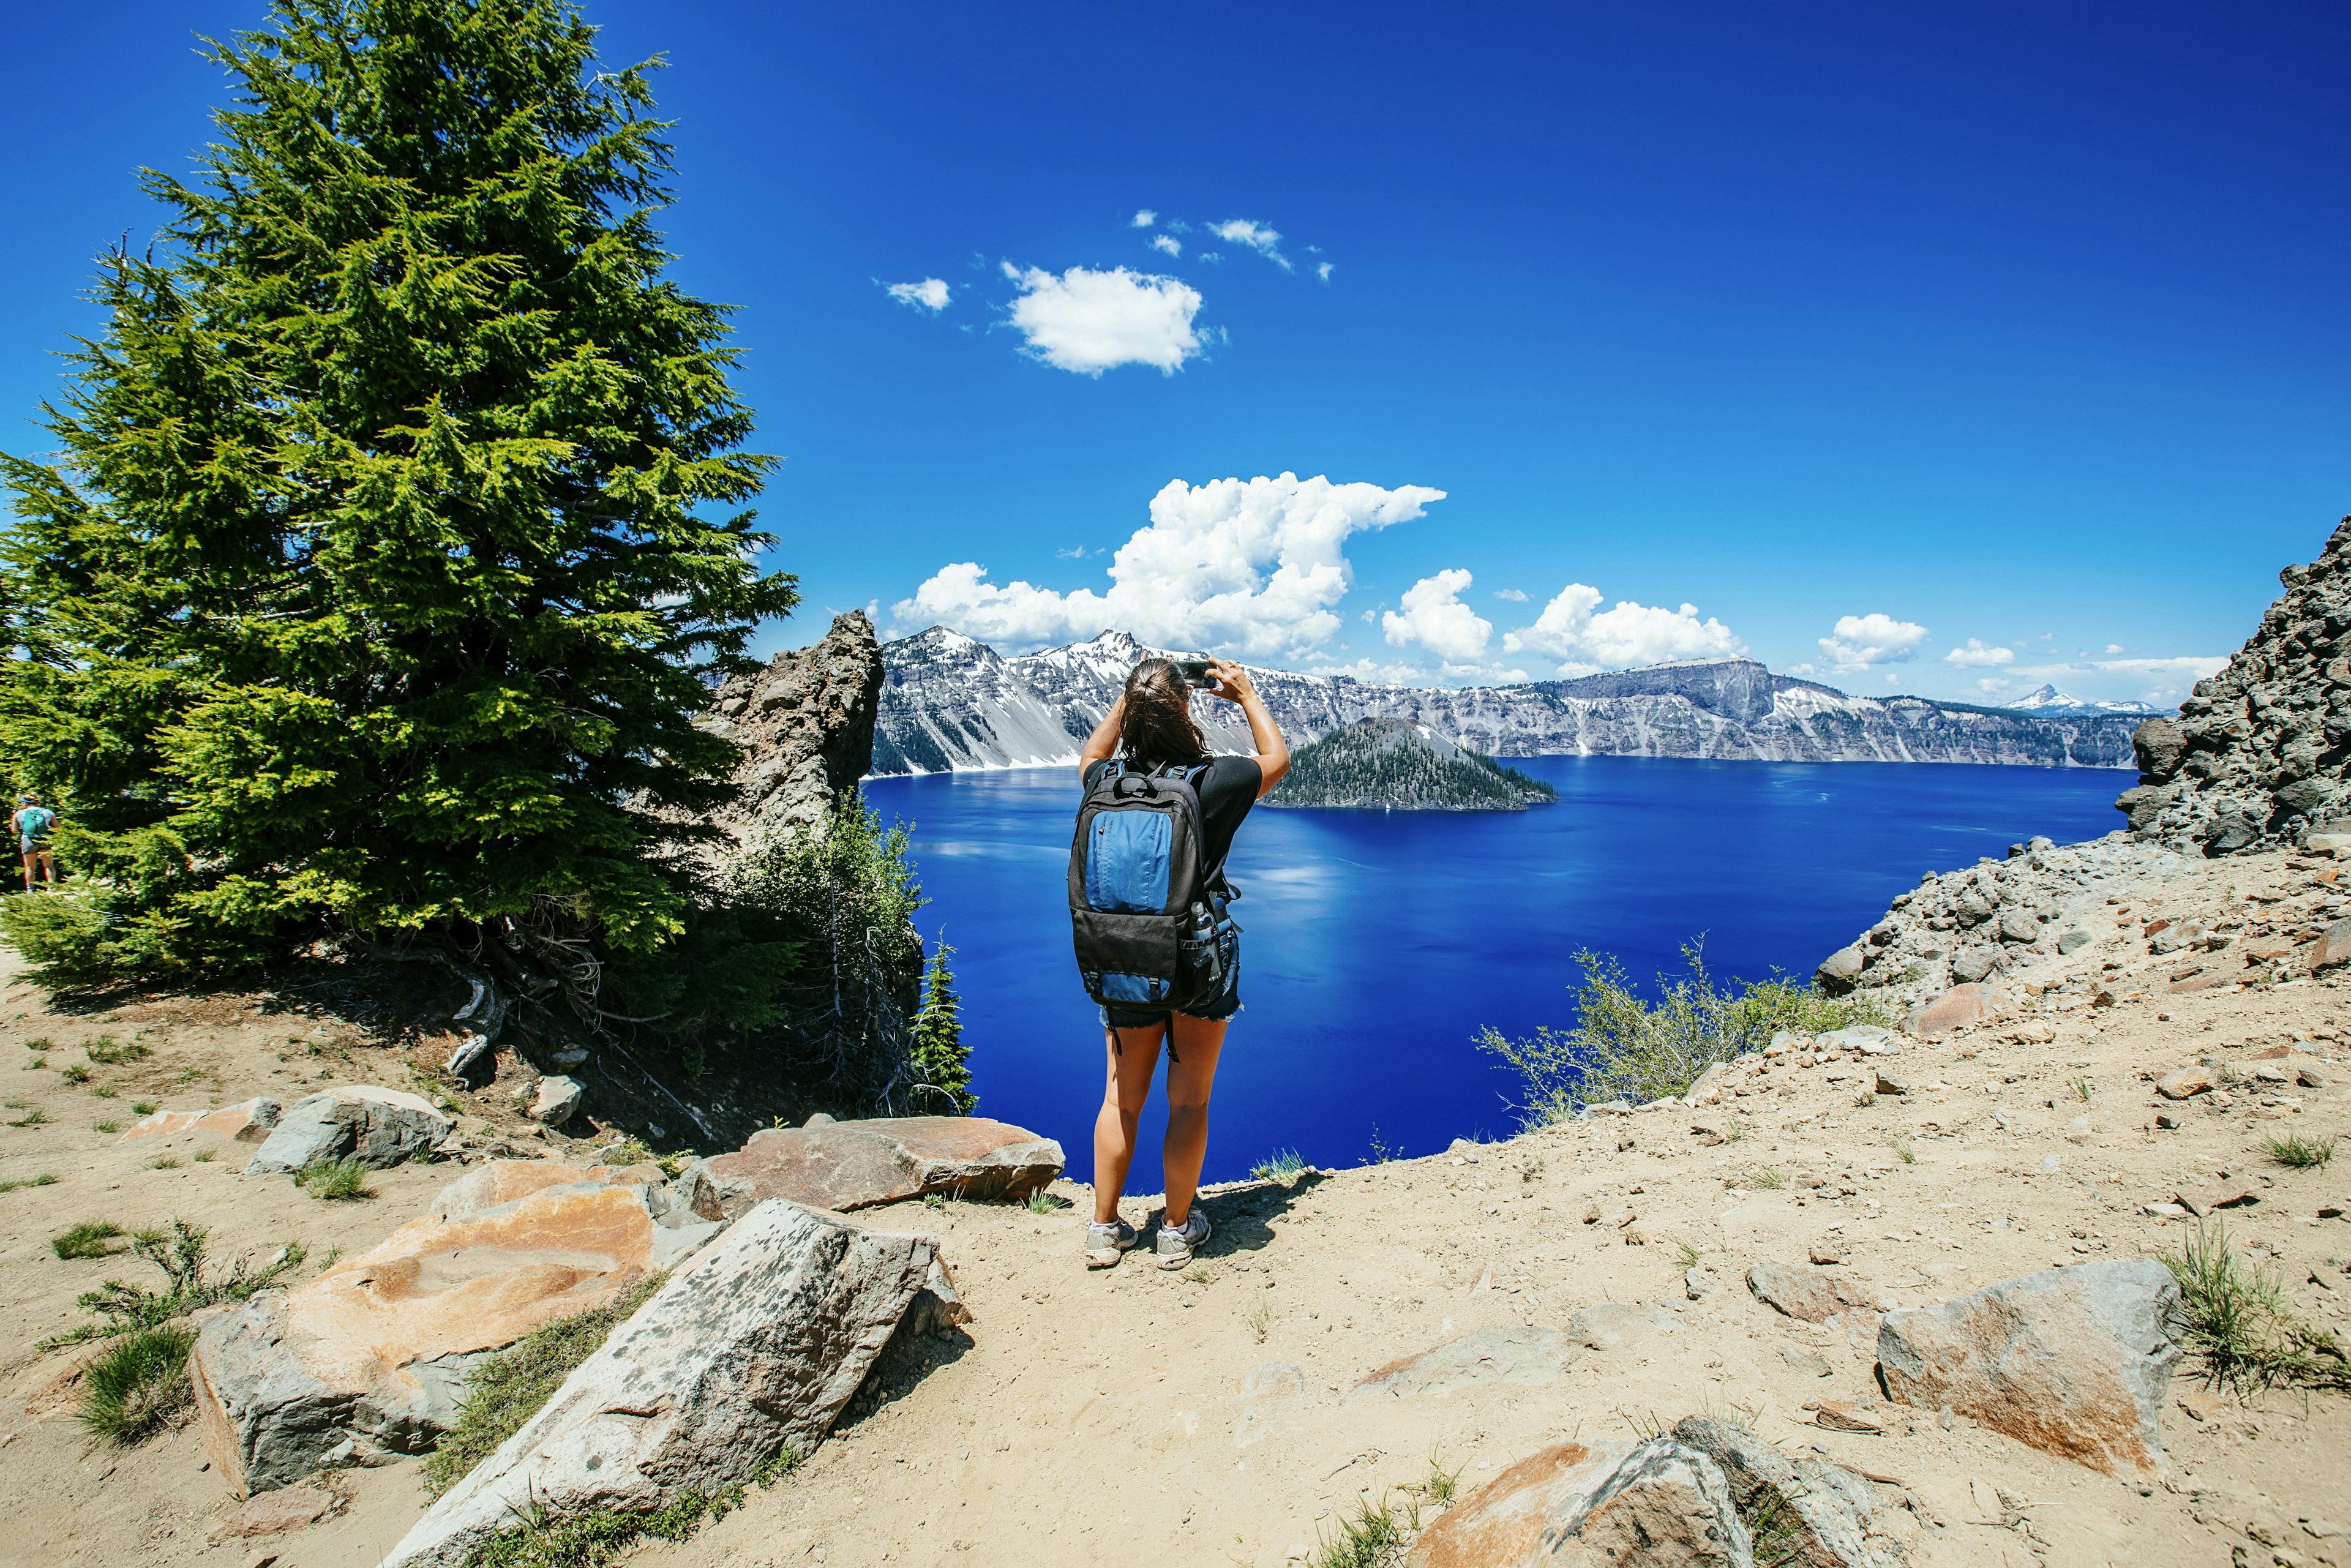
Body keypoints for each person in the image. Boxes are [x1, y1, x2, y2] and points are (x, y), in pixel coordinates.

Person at [1076, 656, 1289, 1270]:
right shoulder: (1211, 781)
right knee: (1189, 1100)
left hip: (1124, 956)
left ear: (1132, 715)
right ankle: (1175, 1227)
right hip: (1199, 962)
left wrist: (1131, 698)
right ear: (1186, 710)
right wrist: (1245, 692)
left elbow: (1090, 752)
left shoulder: (1104, 784)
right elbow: (1277, 759)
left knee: (1121, 1098)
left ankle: (1104, 1227)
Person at [13, 793, 57, 893]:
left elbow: (14, 830)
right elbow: (57, 828)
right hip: (45, 839)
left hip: (28, 840)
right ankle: (51, 888)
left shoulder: (19, 814)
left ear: (24, 803)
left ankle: (30, 890)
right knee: (49, 865)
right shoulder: (48, 812)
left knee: (30, 867)